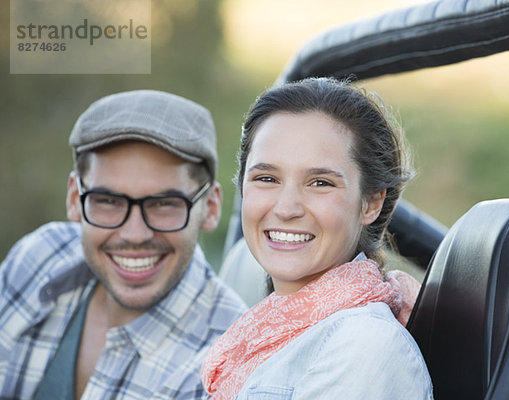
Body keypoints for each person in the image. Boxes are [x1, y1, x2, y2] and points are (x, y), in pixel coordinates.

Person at [0, 90, 247, 399]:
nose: (134, 234)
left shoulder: (229, 364)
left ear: (210, 207)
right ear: (75, 199)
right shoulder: (37, 257)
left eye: (164, 203)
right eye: (108, 201)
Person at [201, 78, 433, 399]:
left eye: (320, 183)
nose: (286, 208)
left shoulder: (363, 348)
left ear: (371, 204)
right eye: (266, 178)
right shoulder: (267, 330)